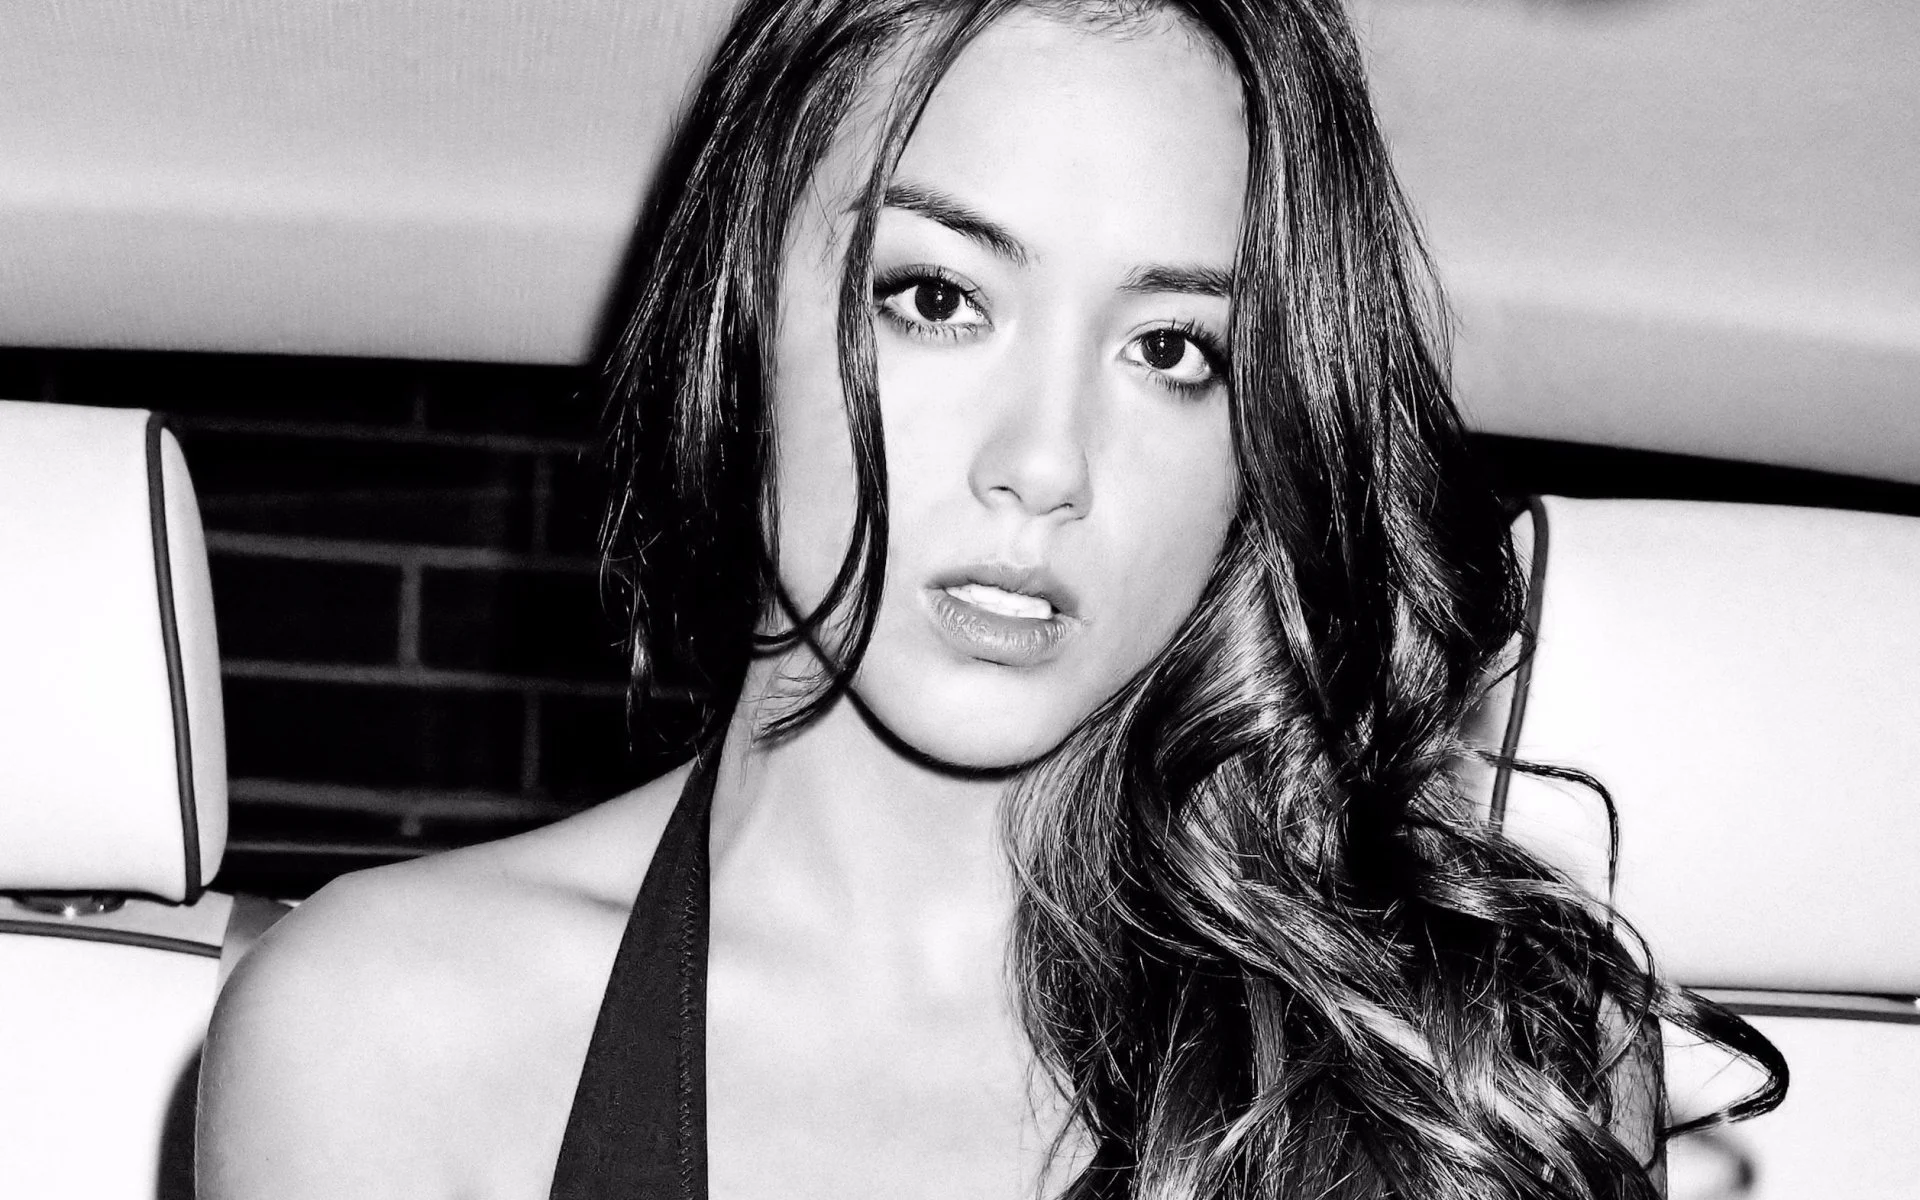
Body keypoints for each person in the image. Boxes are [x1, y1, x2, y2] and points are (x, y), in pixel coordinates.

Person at [197, 1, 1783, 1197]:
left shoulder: (1472, 1064)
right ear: (742, 318)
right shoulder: (384, 1036)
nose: (1045, 465)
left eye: (1172, 351)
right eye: (938, 297)